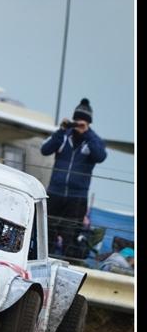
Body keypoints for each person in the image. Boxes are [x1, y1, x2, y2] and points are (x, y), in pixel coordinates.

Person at [41, 98, 107, 258]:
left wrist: (88, 134)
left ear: (89, 122)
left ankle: (68, 267)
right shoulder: (63, 136)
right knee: (47, 231)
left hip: (77, 198)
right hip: (55, 193)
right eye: (76, 120)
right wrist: (61, 130)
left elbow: (100, 156)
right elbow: (45, 150)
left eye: (82, 121)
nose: (78, 123)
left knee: (70, 235)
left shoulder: (94, 140)